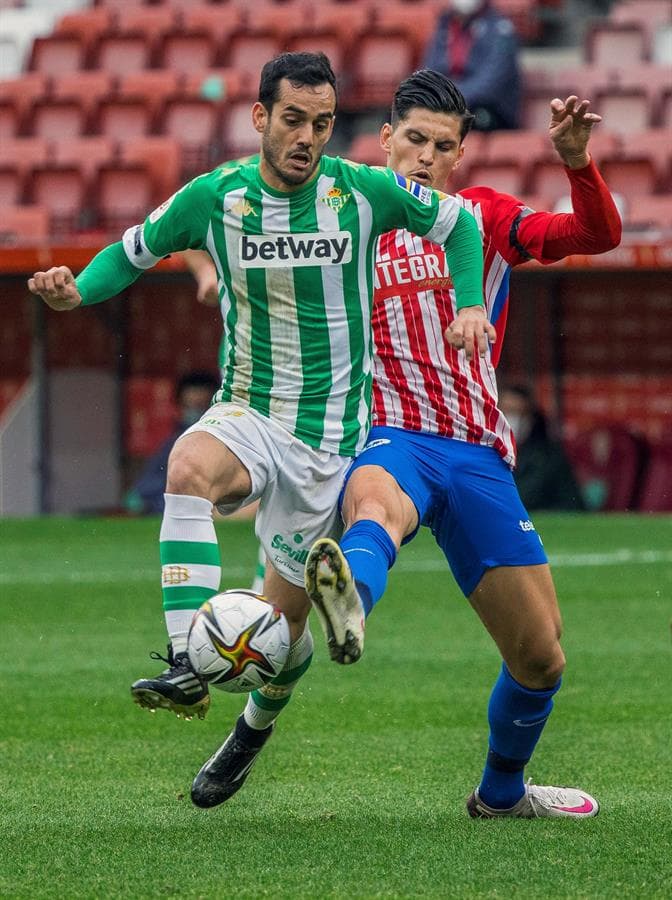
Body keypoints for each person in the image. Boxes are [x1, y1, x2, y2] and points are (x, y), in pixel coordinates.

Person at [27, 53, 487, 797]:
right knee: (186, 469)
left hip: (329, 442)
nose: (309, 137)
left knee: (284, 637)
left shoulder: (364, 191)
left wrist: (469, 303)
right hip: (248, 408)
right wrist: (77, 292)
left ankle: (249, 734)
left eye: (324, 123)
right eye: (295, 120)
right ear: (261, 119)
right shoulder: (217, 197)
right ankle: (185, 660)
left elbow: (460, 225)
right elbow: (133, 251)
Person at [124, 370, 220, 515]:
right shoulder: (173, 444)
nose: (194, 413)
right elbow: (139, 496)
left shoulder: (226, 442)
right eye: (190, 407)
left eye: (201, 406)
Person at [423, 0, 521, 130]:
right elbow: (429, 71)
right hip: (445, 104)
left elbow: (492, 81)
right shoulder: (444, 25)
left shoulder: (500, 29)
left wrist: (452, 99)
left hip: (487, 109)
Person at [499, 384, 584, 511]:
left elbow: (572, 505)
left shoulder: (548, 457)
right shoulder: (485, 455)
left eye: (517, 413)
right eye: (505, 412)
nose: (510, 419)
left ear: (530, 418)